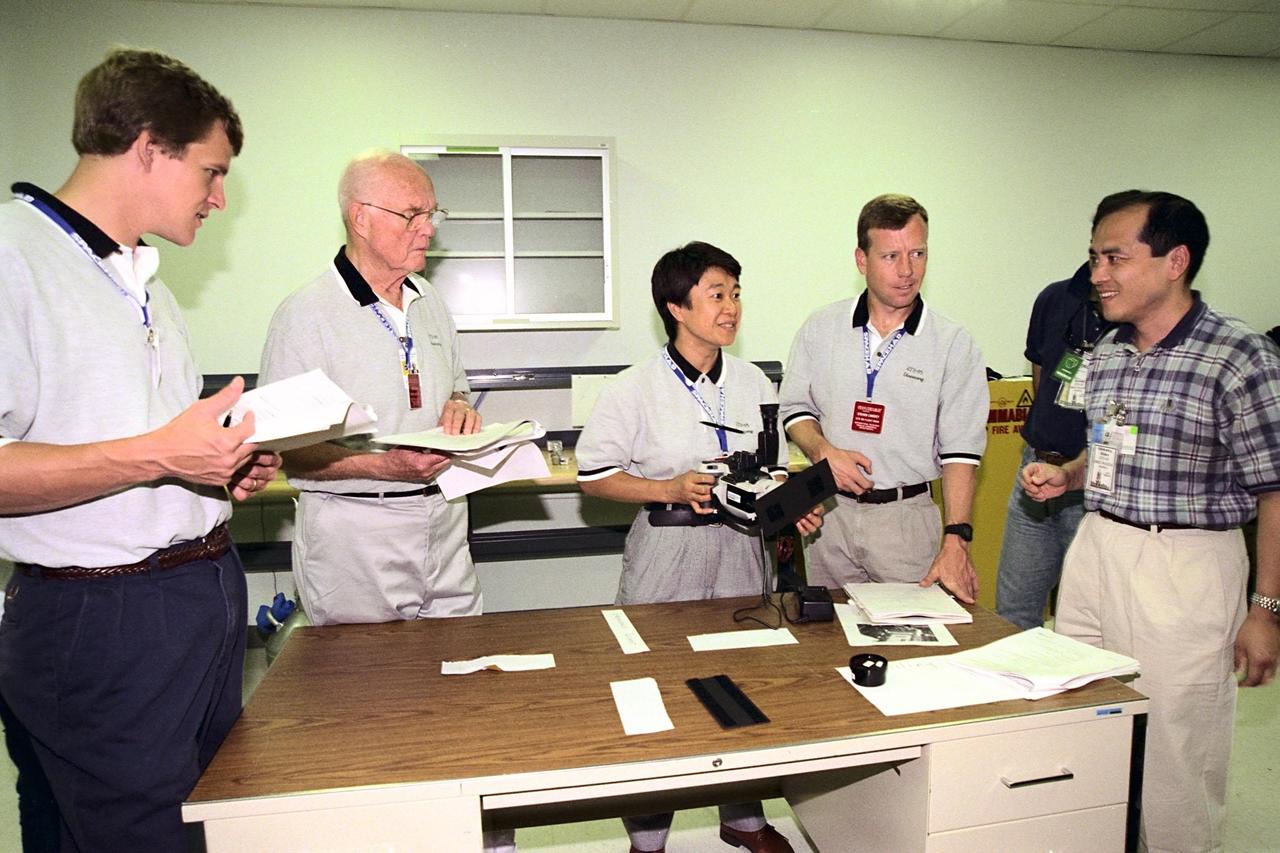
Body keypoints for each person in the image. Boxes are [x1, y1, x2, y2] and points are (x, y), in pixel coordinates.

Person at [0, 48, 279, 851]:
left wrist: (219, 464)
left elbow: (146, 434)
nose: (220, 199)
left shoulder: (144, 280)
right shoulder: (16, 257)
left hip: (198, 593)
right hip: (101, 617)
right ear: (150, 147)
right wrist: (162, 456)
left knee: (207, 820)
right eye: (211, 172)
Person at [1022, 190, 1280, 853]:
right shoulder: (1106, 351)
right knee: (1083, 715)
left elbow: (1275, 491)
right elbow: (1109, 449)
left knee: (1174, 749)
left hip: (1185, 565)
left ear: (1176, 261)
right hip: (1099, 546)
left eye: (1115, 256)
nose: (1097, 273)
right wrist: (1069, 474)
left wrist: (1266, 608)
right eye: (1093, 257)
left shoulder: (1239, 356)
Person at [577, 241, 821, 853]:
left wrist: (791, 506)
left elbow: (767, 469)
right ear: (676, 307)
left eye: (736, 293)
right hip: (668, 552)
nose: (732, 307)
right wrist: (667, 487)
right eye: (717, 294)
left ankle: (743, 820)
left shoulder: (752, 380)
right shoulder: (634, 387)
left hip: (741, 552)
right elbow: (593, 476)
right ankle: (649, 837)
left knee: (742, 684)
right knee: (657, 690)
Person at [259, 150, 484, 627]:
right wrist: (385, 467)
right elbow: (286, 450)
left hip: (445, 519)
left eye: (432, 214)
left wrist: (459, 405)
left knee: (462, 668)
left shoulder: (430, 301)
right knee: (365, 685)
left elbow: (456, 385)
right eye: (412, 215)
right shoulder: (306, 316)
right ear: (360, 218)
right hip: (356, 531)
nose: (428, 228)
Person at [779, 194, 988, 603]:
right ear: (862, 260)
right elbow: (794, 408)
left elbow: (961, 452)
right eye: (891, 256)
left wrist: (956, 539)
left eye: (918, 253)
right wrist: (823, 450)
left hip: (906, 521)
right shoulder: (821, 328)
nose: (907, 271)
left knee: (912, 647)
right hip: (830, 517)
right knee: (828, 640)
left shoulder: (952, 343)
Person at [994, 262, 1111, 629]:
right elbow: (1043, 380)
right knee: (1013, 613)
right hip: (1034, 474)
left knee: (1089, 622)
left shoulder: (1136, 315)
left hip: (1093, 486)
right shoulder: (1055, 298)